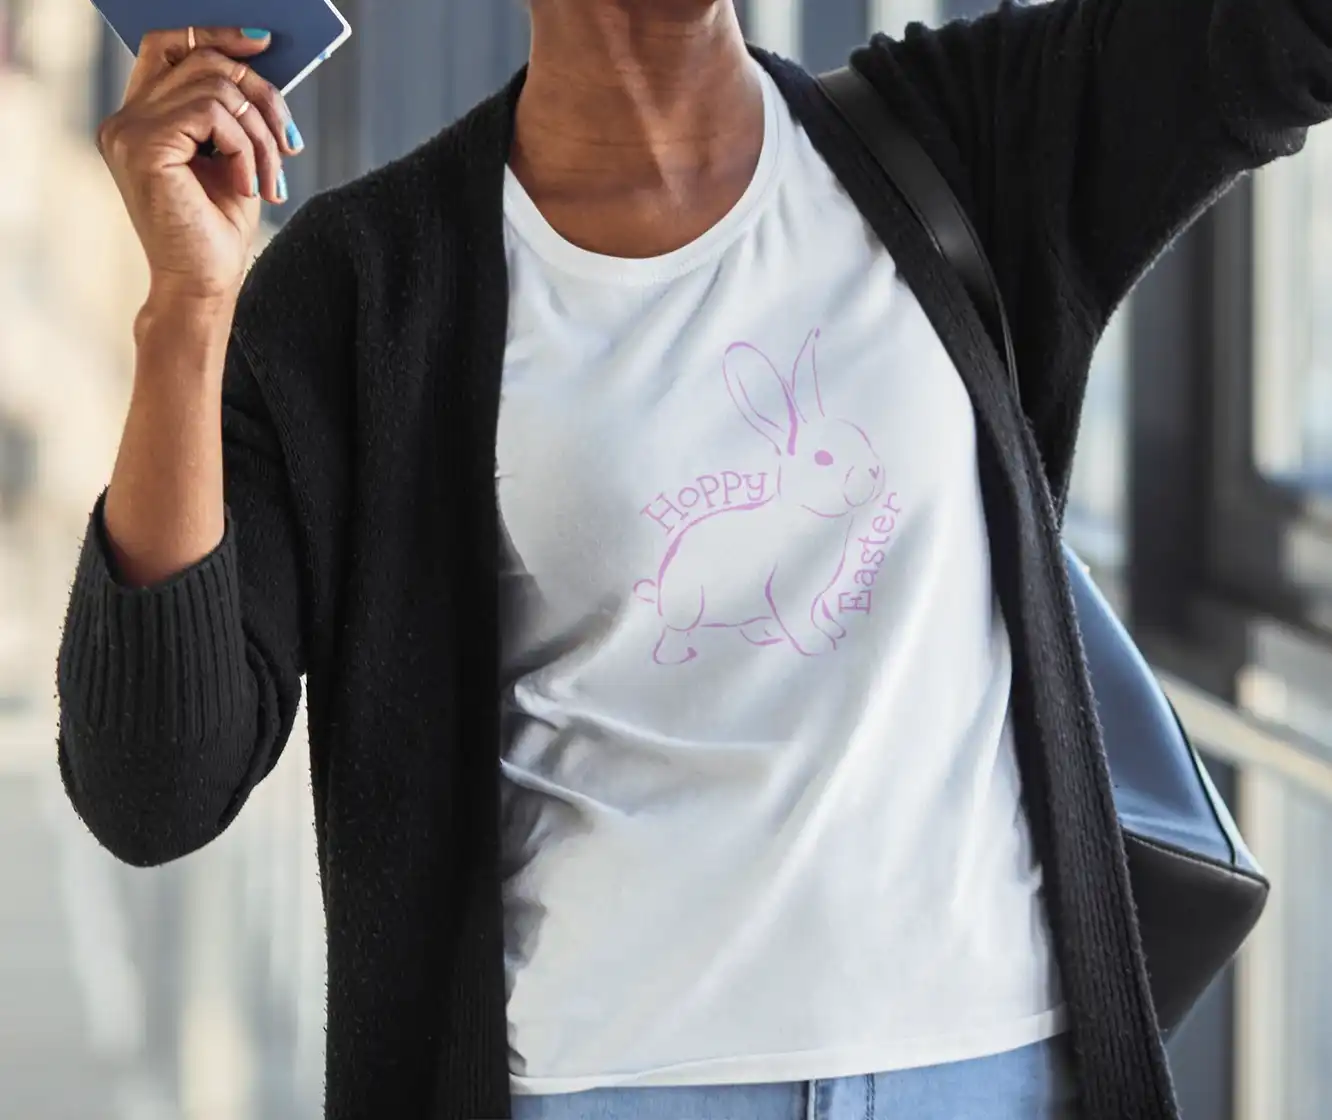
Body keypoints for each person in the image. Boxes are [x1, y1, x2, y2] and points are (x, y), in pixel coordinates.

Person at [56, 2, 1332, 1118]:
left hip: (996, 1063)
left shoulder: (967, 138)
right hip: (602, 1081)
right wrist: (188, 309)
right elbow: (154, 785)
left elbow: (1268, 39)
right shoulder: (364, 288)